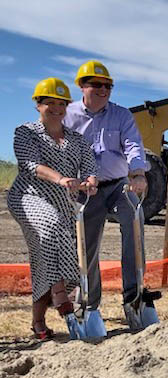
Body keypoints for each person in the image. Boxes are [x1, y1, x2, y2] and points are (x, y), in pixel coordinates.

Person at [63, 60, 153, 325]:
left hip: (118, 184)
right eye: (97, 85)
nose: (104, 90)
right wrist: (73, 180)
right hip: (84, 191)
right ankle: (89, 303)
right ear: (82, 86)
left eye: (108, 86)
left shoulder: (122, 115)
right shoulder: (67, 116)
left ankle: (134, 296)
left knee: (134, 222)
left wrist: (137, 173)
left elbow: (133, 145)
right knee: (86, 246)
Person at [7, 78, 98, 339]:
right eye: (50, 103)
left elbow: (90, 166)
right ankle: (62, 296)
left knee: (42, 255)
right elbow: (30, 165)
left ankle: (38, 321)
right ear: (38, 105)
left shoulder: (77, 139)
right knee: (50, 228)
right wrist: (61, 179)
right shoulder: (25, 132)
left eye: (62, 104)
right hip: (29, 197)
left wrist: (91, 180)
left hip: (63, 202)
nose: (57, 109)